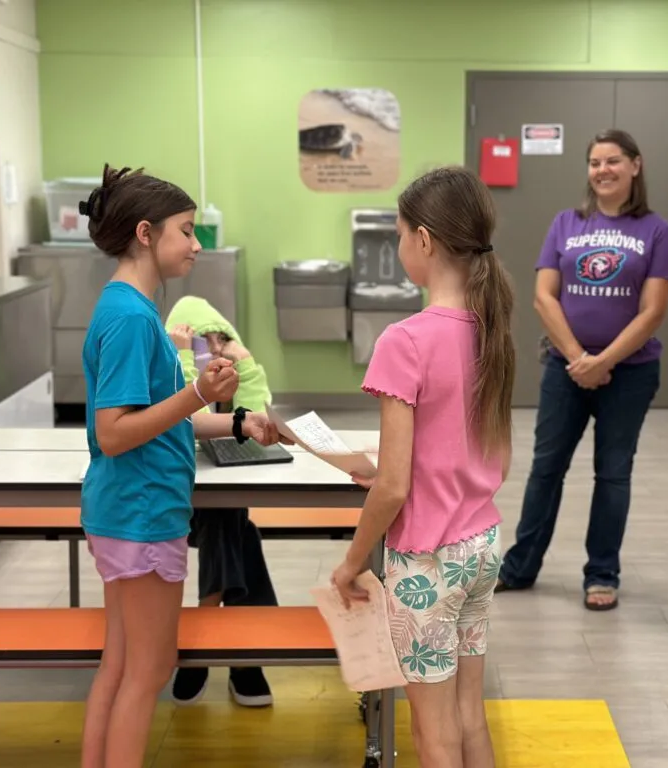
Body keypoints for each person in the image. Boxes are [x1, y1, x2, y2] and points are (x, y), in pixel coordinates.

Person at [77, 164, 285, 768]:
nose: (197, 245)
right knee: (147, 670)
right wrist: (196, 393)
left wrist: (240, 420)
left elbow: (160, 417)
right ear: (146, 233)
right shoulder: (132, 318)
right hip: (141, 513)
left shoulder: (131, 311)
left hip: (133, 511)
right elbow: (113, 433)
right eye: (187, 231)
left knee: (121, 666)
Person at [329, 166, 515, 768]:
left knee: (432, 735)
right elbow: (471, 443)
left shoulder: (404, 340)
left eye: (401, 233)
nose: (400, 244)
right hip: (481, 544)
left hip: (427, 563)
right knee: (468, 718)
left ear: (425, 240)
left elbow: (394, 486)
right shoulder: (491, 328)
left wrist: (351, 563)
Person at [493, 129, 668, 610]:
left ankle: (602, 574)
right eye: (595, 162)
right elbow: (542, 296)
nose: (603, 170)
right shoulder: (566, 223)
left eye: (613, 161)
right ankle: (520, 567)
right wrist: (579, 358)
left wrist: (605, 361)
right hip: (565, 369)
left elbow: (653, 310)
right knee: (545, 471)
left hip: (631, 373)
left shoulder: (656, 230)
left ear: (635, 166)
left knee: (613, 474)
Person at [164, 296, 278, 707]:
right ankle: (245, 656)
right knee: (234, 523)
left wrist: (243, 360)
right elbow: (178, 415)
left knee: (229, 519)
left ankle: (204, 634)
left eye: (219, 342)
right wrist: (179, 356)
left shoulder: (229, 366)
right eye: (201, 343)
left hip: (214, 506)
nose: (212, 352)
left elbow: (257, 416)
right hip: (169, 500)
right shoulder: (171, 366)